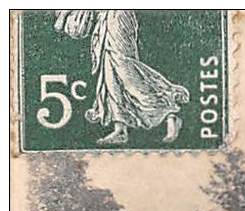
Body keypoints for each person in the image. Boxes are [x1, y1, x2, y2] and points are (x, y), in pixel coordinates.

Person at [55, 10, 189, 145]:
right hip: (105, 18)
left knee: (125, 71)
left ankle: (169, 111)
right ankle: (120, 128)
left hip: (118, 15)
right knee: (110, 73)